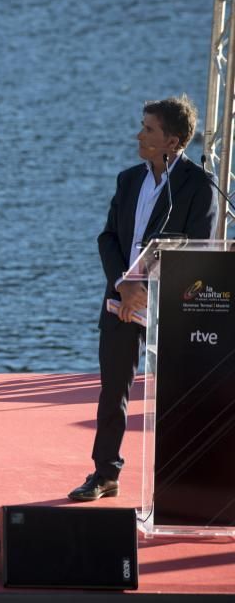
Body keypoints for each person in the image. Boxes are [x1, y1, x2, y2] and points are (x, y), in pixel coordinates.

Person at [68, 95, 219, 502]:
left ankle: (183, 479)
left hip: (170, 307)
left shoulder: (198, 186)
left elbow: (197, 251)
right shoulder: (128, 179)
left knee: (178, 393)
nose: (139, 134)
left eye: (149, 129)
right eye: (143, 125)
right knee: (113, 389)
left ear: (173, 141)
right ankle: (104, 474)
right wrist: (124, 284)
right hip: (122, 301)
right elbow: (108, 237)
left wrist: (147, 290)